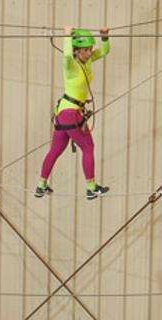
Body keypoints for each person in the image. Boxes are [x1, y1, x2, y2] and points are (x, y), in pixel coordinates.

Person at [35, 26, 110, 201]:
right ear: (76, 50)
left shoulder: (88, 60)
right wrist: (67, 36)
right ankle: (91, 188)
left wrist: (105, 37)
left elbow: (105, 51)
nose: (89, 53)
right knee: (88, 147)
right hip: (70, 113)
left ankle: (41, 186)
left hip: (64, 112)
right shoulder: (70, 65)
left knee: (55, 150)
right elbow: (67, 55)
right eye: (85, 50)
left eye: (90, 49)